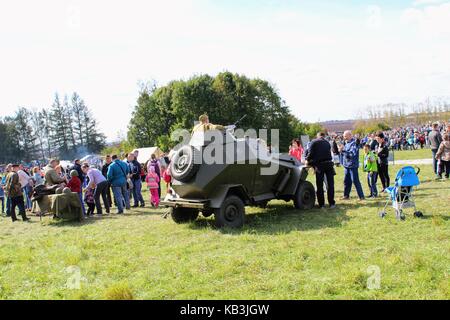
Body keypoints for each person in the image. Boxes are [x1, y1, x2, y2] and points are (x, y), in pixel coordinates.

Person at [305, 132, 336, 209]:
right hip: (329, 164)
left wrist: (307, 160)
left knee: (320, 185)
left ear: (317, 136)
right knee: (330, 185)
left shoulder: (314, 142)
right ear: (324, 136)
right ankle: (331, 203)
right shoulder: (327, 143)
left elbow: (310, 153)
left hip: (320, 165)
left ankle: (321, 204)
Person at [339, 130, 365, 201]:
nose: (344, 137)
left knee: (355, 181)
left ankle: (361, 196)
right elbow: (343, 154)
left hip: (352, 166)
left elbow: (352, 154)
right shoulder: (346, 143)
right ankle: (346, 196)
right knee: (346, 181)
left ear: (350, 135)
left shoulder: (354, 144)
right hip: (346, 166)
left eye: (345, 136)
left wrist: (343, 151)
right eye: (344, 136)